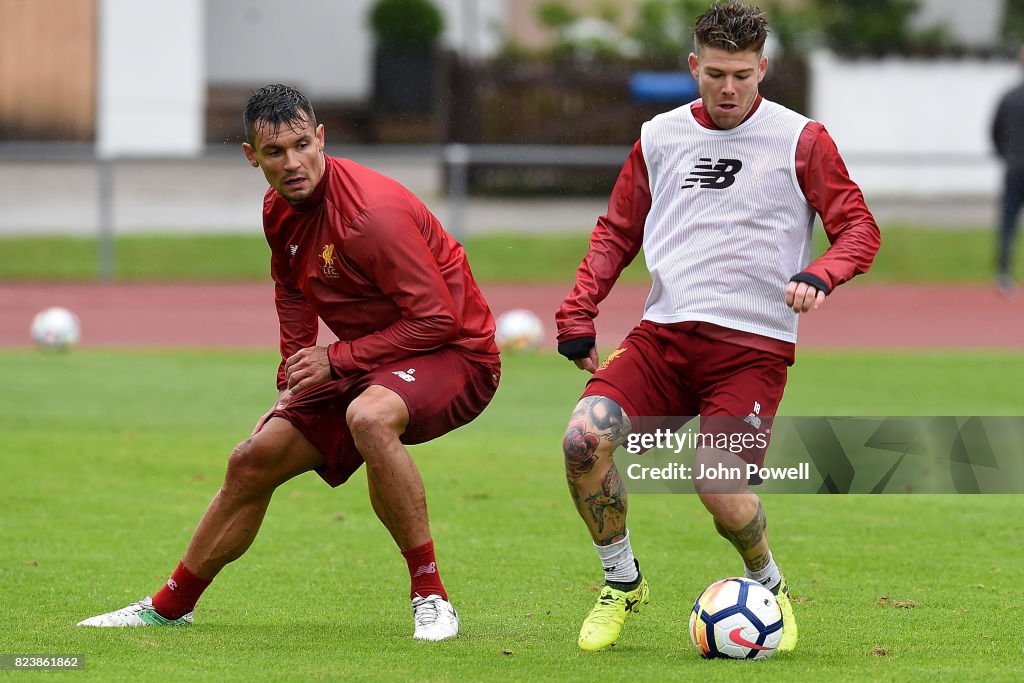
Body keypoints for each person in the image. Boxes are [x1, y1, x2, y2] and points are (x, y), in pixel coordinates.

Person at [77, 84, 501, 641]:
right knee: (252, 460)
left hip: (454, 355)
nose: (292, 163)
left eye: (302, 145)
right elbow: (293, 290)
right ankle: (169, 605)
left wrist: (337, 358)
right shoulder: (278, 209)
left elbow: (437, 322)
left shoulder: (373, 215)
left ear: (321, 138)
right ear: (252, 155)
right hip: (369, 360)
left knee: (369, 419)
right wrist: (291, 381)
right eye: (274, 152)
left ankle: (431, 598)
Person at [556, 1, 881, 653]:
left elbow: (859, 228)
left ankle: (770, 584)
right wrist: (578, 311)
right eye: (714, 74)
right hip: (663, 340)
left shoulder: (801, 139)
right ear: (693, 66)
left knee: (721, 489)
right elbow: (618, 229)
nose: (728, 88)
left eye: (741, 74)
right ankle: (622, 582)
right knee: (582, 442)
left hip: (750, 351)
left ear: (763, 68)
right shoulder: (660, 136)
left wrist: (821, 273)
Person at [992, 45, 1024, 292]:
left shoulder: (1009, 96)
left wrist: (1008, 155)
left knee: (1008, 223)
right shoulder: (1009, 96)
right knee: (1008, 222)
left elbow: (995, 132)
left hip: (1013, 168)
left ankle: (1003, 273)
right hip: (1014, 167)